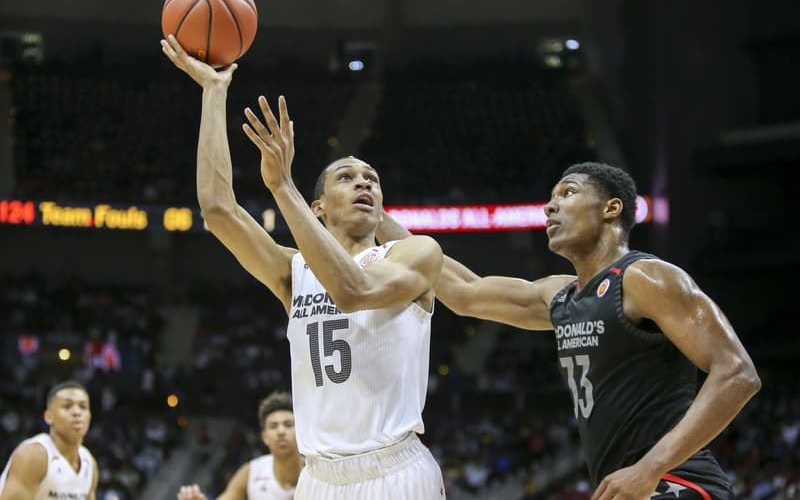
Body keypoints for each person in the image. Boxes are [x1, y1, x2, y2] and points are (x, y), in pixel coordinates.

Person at [161, 35, 446, 500]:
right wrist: (213, 94)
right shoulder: (293, 272)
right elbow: (218, 210)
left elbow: (353, 290)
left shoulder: (415, 255)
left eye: (371, 179)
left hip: (395, 470)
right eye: (347, 177)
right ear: (318, 207)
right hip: (319, 479)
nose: (364, 184)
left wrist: (281, 187)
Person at [378, 162, 761, 500]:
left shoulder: (645, 276)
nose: (550, 206)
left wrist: (650, 468)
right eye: (551, 197)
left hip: (677, 482)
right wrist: (376, 218)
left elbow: (737, 373)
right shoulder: (561, 296)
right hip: (629, 485)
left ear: (612, 208)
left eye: (568, 192)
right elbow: (463, 292)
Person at [177, 391, 302, 500]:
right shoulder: (251, 471)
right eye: (273, 426)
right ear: (265, 437)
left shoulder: (317, 469)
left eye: (288, 424)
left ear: (301, 431)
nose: (281, 431)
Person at [0, 381, 99, 500]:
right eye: (67, 406)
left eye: (83, 407)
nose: (77, 412)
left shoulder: (89, 463)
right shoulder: (34, 455)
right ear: (49, 417)